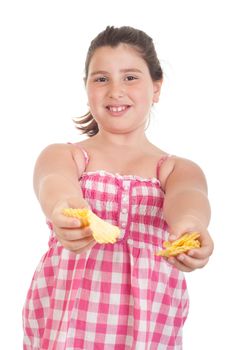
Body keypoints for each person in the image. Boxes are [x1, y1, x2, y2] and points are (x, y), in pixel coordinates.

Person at [23, 26, 214, 349]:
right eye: (101, 79)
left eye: (130, 77)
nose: (115, 90)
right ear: (86, 88)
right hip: (67, 325)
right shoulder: (66, 155)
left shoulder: (175, 169)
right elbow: (54, 184)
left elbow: (188, 199)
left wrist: (190, 229)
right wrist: (66, 211)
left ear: (156, 87)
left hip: (149, 325)